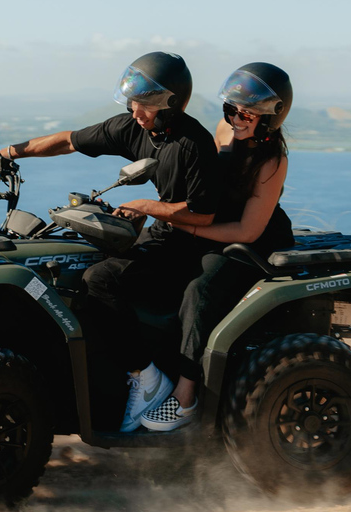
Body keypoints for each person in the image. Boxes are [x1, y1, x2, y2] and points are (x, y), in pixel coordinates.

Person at [0, 52, 222, 432]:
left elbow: (203, 215)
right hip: (161, 232)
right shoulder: (134, 128)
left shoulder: (194, 146)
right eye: (132, 101)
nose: (134, 110)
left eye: (143, 104)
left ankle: (147, 377)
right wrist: (8, 153)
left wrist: (147, 207)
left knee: (100, 279)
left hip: (189, 244)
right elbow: (68, 141)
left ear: (169, 105)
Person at [139, 62, 296, 432]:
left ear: (271, 118)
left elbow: (248, 228)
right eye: (230, 109)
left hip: (250, 241)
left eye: (246, 114)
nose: (235, 119)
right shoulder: (224, 128)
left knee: (200, 289)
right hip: (212, 224)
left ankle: (185, 397)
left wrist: (191, 230)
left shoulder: (273, 160)